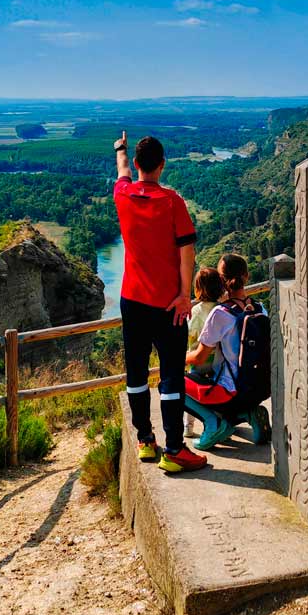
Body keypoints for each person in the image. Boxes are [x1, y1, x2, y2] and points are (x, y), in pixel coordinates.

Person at [113, 131, 207, 473]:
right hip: (167, 304)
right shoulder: (172, 202)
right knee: (171, 376)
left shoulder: (122, 193)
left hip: (131, 300)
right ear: (162, 165)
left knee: (136, 372)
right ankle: (175, 449)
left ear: (138, 164)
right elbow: (187, 252)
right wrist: (185, 295)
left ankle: (145, 441)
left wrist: (120, 148)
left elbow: (121, 169)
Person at [184, 252, 259, 408]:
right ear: (246, 276)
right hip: (256, 385)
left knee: (171, 382)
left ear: (222, 281)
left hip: (228, 388)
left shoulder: (220, 314)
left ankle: (213, 422)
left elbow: (199, 358)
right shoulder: (259, 309)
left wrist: (176, 358)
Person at [187, 267, 224, 382]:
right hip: (219, 364)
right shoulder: (223, 309)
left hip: (199, 365)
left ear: (198, 289)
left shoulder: (196, 311)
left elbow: (190, 333)